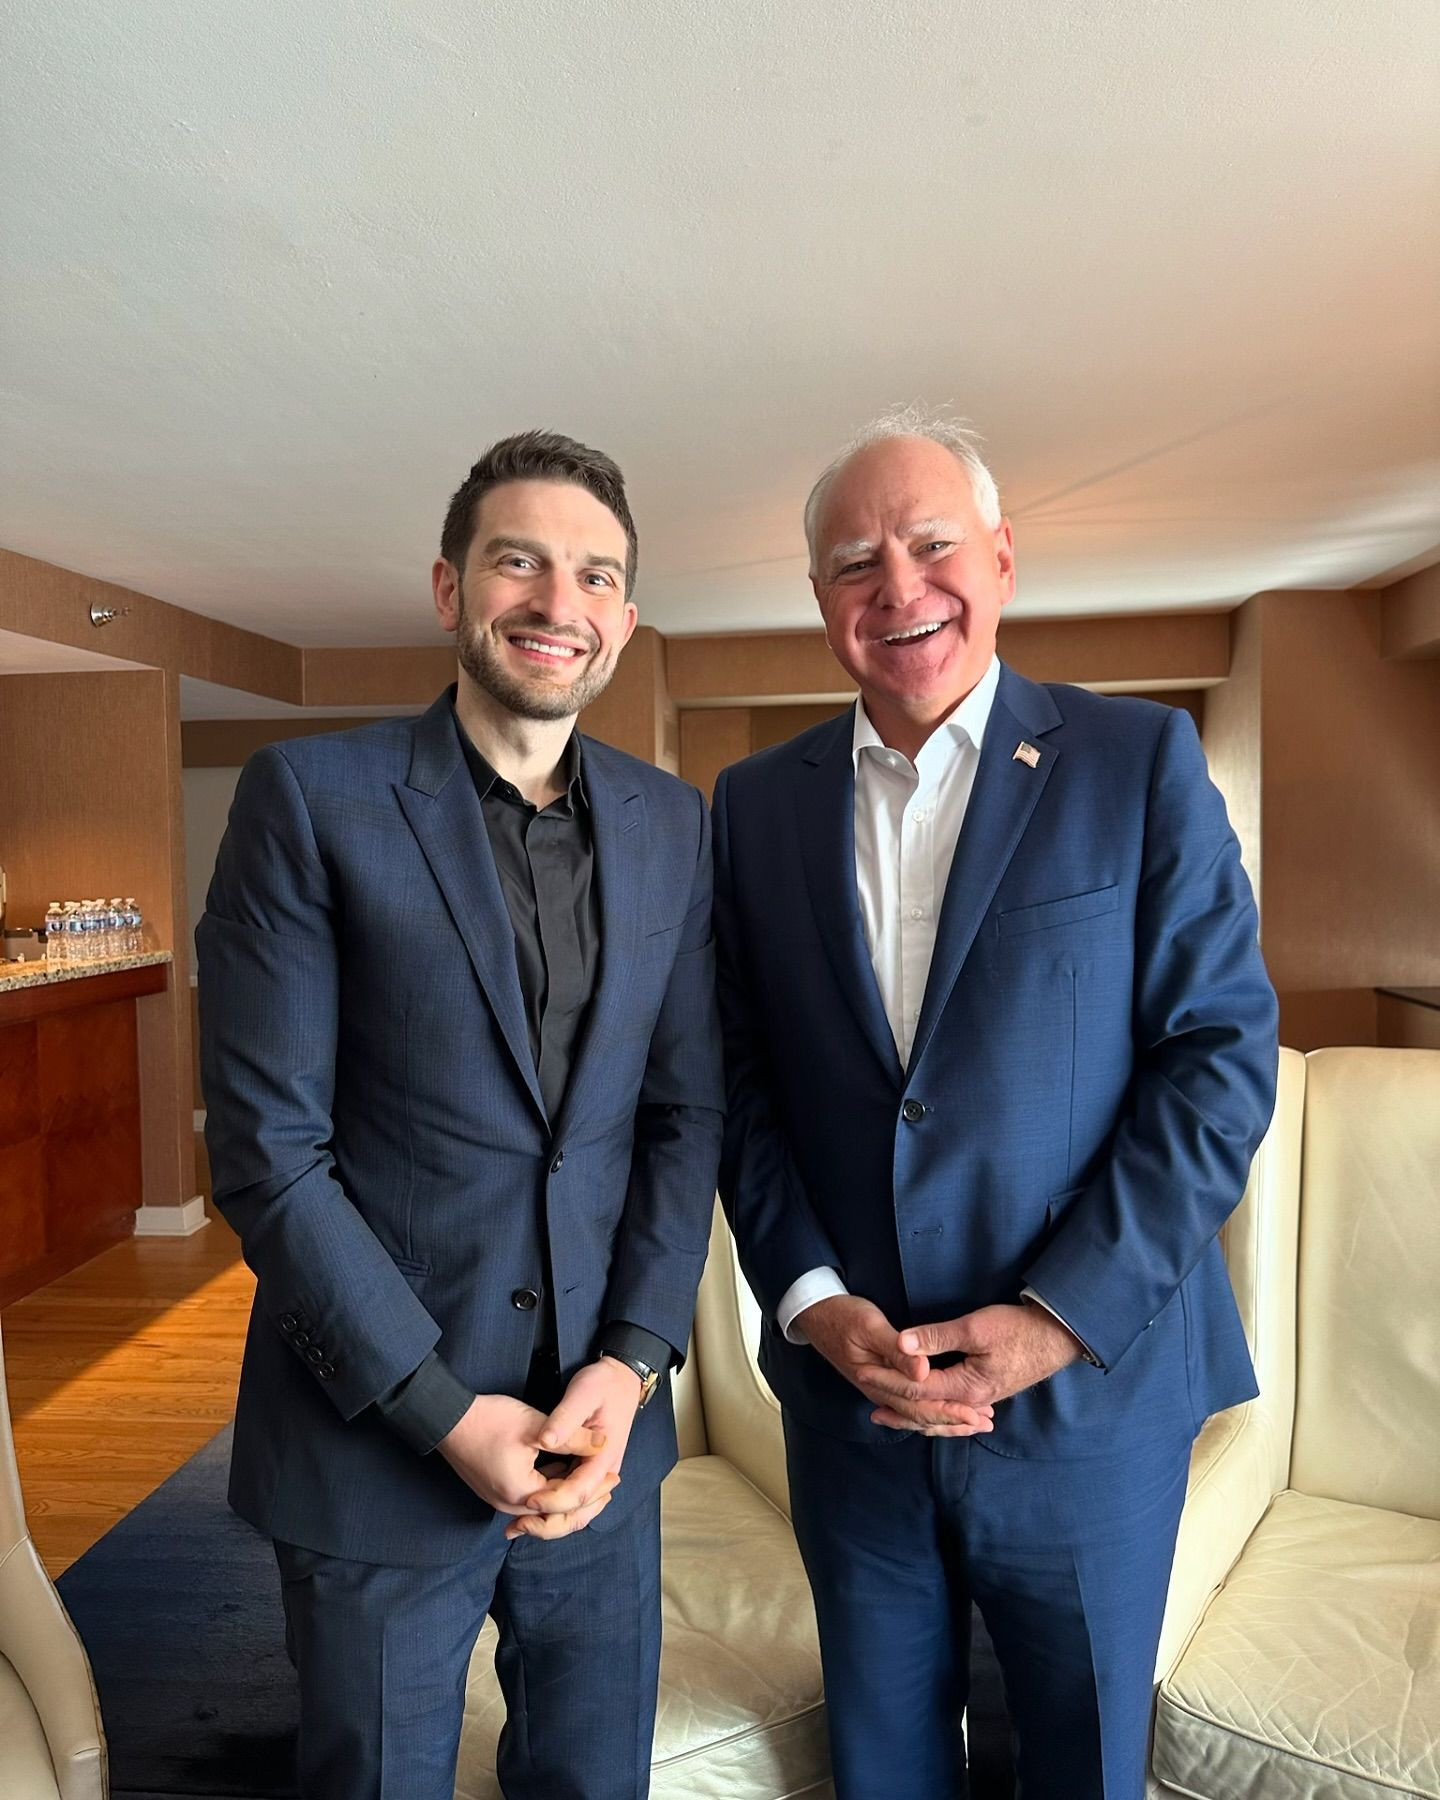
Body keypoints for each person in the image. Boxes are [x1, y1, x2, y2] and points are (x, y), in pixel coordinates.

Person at [712, 407, 1278, 1800]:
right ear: (820, 604)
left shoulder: (1134, 763)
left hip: (1090, 1402)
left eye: (930, 544)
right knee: (884, 1767)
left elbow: (1219, 1060)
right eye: (855, 563)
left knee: (1081, 1768)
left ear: (1004, 560)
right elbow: (734, 1083)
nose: (897, 590)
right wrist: (806, 1298)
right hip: (857, 1413)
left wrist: (1052, 1319)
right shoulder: (750, 808)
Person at [197, 430, 723, 1800]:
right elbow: (270, 1157)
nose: (561, 603)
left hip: (602, 1450)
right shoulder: (308, 802)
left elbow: (684, 1116)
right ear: (449, 589)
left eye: (598, 575)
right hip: (376, 1443)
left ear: (623, 614)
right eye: (521, 562)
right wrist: (440, 1412)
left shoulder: (675, 826)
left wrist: (632, 1365)